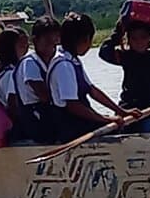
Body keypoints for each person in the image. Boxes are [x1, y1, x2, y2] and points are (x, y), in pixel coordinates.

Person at [48, 12, 136, 143]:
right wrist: (104, 119)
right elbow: (73, 106)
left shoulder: (72, 60)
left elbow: (92, 91)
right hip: (70, 126)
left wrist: (120, 111)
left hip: (79, 121)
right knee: (117, 131)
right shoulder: (63, 65)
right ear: (84, 39)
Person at [98, 12, 150, 112]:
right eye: (134, 38)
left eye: (143, 37)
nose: (139, 42)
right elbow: (104, 52)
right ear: (128, 40)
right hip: (130, 104)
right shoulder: (126, 57)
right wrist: (119, 31)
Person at [15, 15, 61, 143]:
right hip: (36, 118)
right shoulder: (30, 63)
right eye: (47, 41)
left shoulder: (53, 61)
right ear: (35, 40)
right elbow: (44, 96)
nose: (52, 47)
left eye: (55, 42)